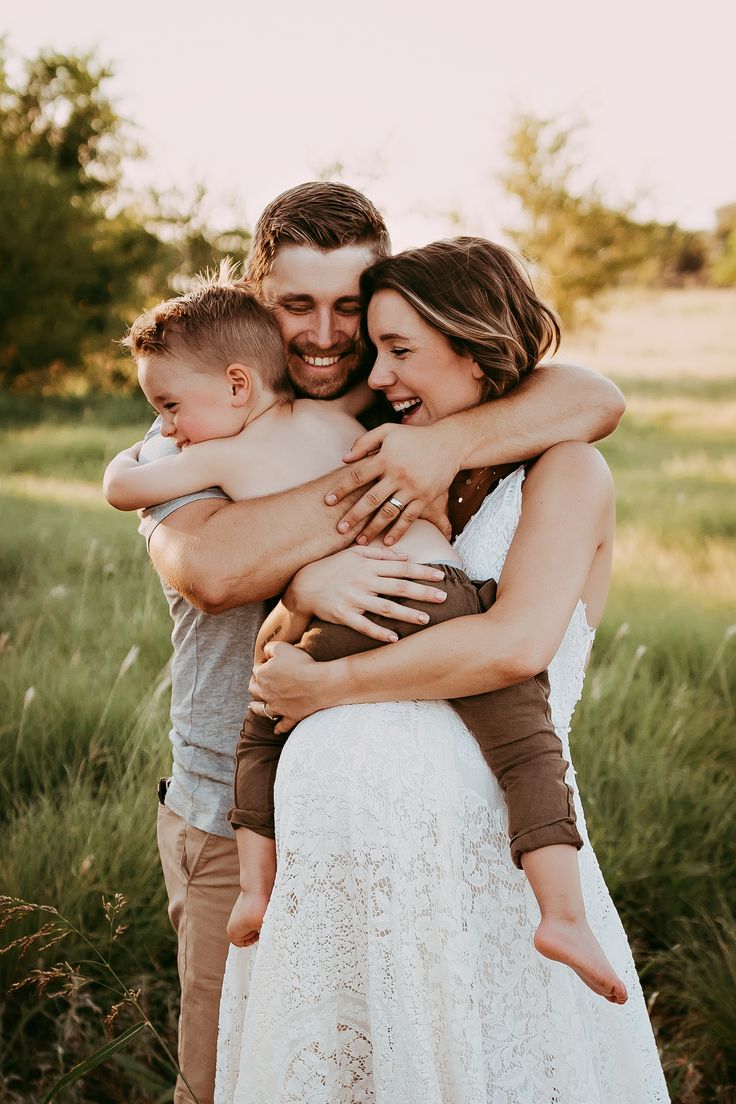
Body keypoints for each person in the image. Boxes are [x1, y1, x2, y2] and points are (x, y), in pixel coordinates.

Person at [111, 181, 625, 1104]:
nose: (324, 334)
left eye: (351, 306)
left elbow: (592, 396)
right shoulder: (198, 418)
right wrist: (322, 564)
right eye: (295, 305)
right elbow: (214, 569)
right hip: (243, 816)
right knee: (240, 1080)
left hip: (428, 830)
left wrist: (437, 444)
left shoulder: (403, 404)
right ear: (257, 294)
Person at [216, 238, 670, 1102]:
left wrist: (330, 691)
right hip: (338, 888)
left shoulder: (567, 471)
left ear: (472, 345)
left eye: (401, 350)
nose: (376, 373)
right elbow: (283, 627)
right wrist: (308, 585)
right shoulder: (389, 469)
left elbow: (514, 645)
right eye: (376, 348)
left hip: (481, 888)